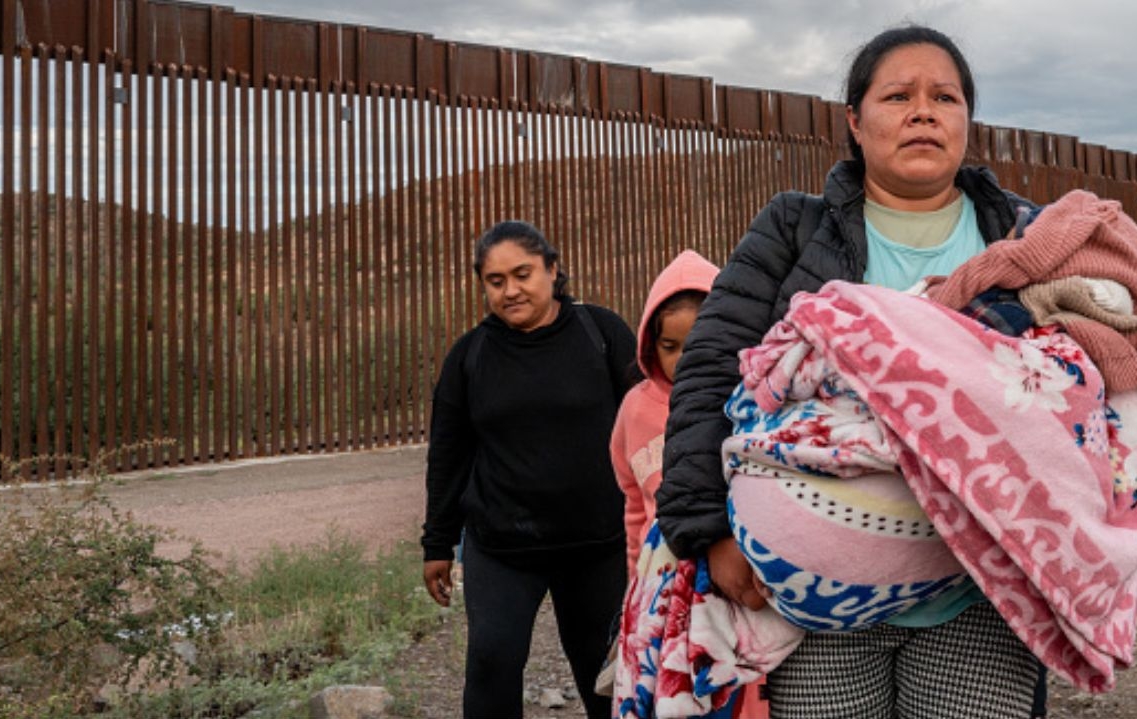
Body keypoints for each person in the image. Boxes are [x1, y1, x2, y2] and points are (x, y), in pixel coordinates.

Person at [656, 24, 1045, 719]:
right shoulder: (793, 230)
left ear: (966, 120)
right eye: (898, 95)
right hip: (816, 598)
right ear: (855, 122)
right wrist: (707, 528)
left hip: (981, 591)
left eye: (945, 97)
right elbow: (710, 371)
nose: (923, 110)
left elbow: (1089, 392)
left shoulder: (1024, 239)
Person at [421, 220, 637, 719]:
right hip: (502, 547)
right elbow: (449, 454)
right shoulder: (469, 356)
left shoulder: (601, 333)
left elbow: (645, 424)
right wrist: (438, 543)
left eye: (523, 274)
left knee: (603, 673)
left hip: (596, 544)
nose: (511, 290)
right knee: (492, 664)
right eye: (496, 281)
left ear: (552, 270)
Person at [609, 248, 770, 718]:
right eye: (670, 346)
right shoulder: (636, 411)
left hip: (734, 580)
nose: (685, 357)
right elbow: (634, 506)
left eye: (699, 339)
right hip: (665, 588)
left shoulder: (751, 401)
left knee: (741, 693)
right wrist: (635, 582)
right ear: (650, 346)